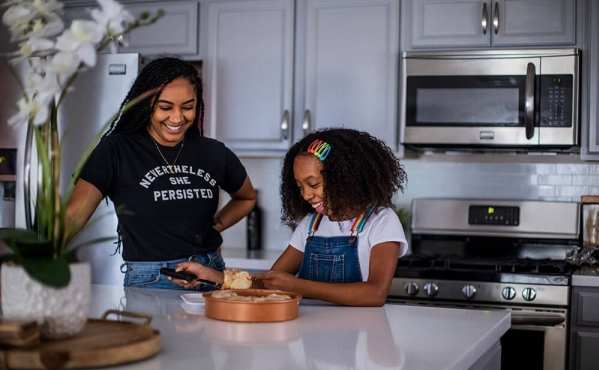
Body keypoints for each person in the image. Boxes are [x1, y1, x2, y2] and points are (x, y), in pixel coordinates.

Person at [65, 57, 256, 290]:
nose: (177, 118)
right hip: (153, 279)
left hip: (210, 274)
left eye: (187, 107)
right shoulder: (116, 150)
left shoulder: (213, 152)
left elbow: (247, 197)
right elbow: (73, 216)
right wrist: (32, 261)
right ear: (148, 104)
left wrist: (214, 226)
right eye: (165, 107)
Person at [175, 128, 407, 306]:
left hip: (360, 336)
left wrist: (298, 286)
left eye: (313, 183)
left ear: (345, 179)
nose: (306, 194)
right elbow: (271, 282)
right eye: (299, 186)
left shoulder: (381, 221)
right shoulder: (311, 225)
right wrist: (214, 277)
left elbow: (375, 293)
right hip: (309, 335)